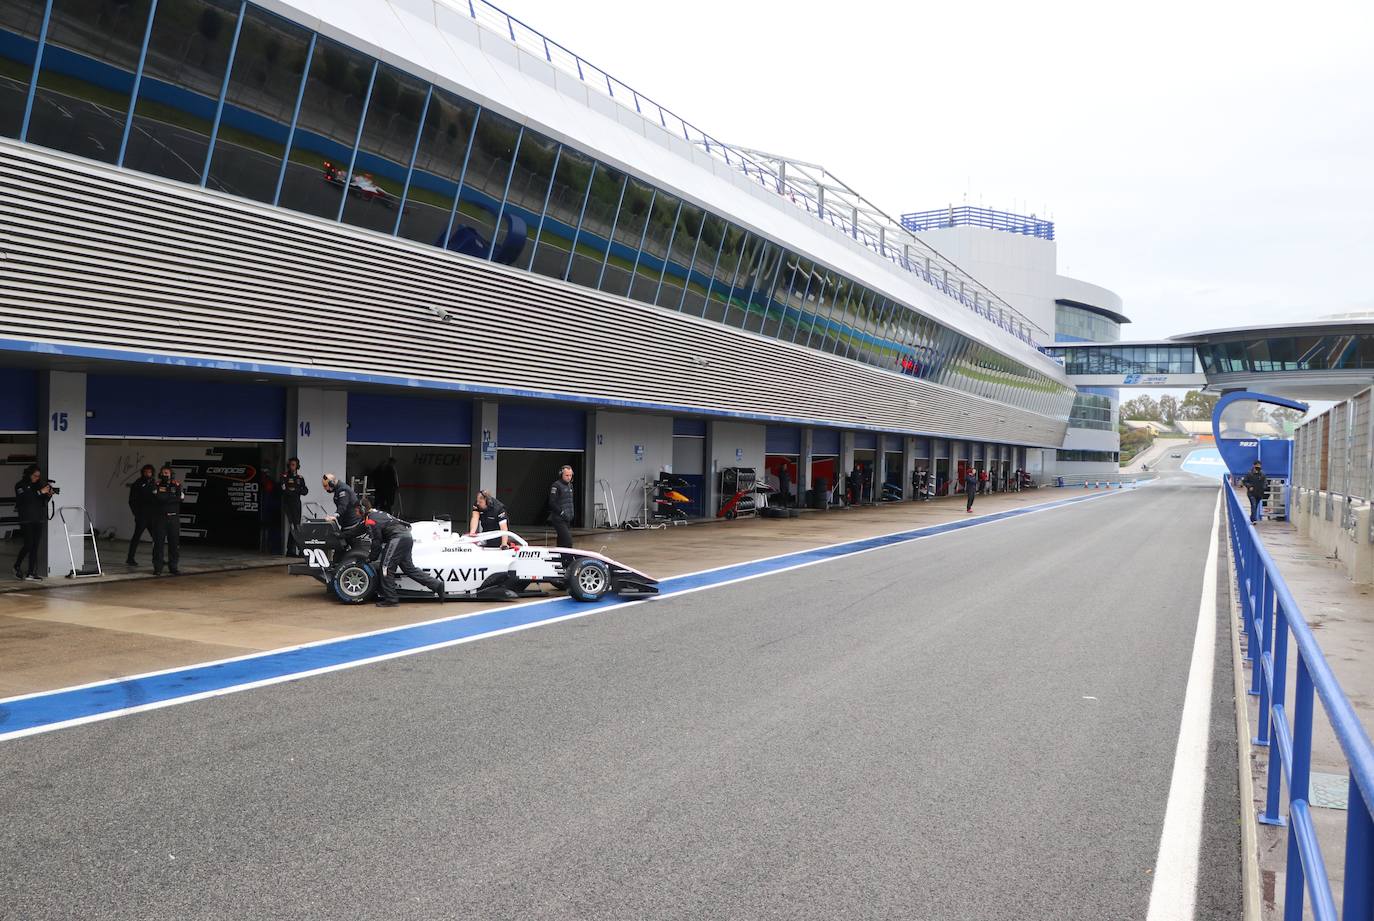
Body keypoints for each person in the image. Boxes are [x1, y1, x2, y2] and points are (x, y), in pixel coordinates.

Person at [361, 499, 444, 607]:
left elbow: (377, 541)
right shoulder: (378, 513)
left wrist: (370, 558)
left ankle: (391, 599)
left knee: (386, 567)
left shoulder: (371, 519)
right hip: (406, 537)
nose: (356, 513)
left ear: (362, 509)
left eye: (356, 510)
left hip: (397, 538)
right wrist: (342, 535)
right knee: (409, 568)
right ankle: (437, 585)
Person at [13, 464, 52, 581]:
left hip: (38, 518)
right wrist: (41, 492)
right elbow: (26, 498)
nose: (36, 478)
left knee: (35, 546)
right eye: (35, 476)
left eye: (38, 476)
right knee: (28, 544)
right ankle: (17, 565)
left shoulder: (38, 485)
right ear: (29, 474)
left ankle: (31, 572)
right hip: (26, 519)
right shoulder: (20, 485)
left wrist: (48, 494)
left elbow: (43, 500)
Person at [150, 465, 185, 575]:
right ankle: (158, 568)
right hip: (160, 519)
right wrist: (172, 497)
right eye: (163, 473)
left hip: (174, 519)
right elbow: (159, 498)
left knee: (174, 544)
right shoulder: (156, 484)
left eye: (167, 473)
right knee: (158, 544)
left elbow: (180, 498)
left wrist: (167, 497)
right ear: (160, 474)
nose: (165, 474)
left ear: (171, 474)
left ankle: (173, 567)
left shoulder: (177, 485)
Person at [125, 464, 157, 566]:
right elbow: (132, 501)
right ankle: (130, 558)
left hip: (152, 516)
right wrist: (137, 514)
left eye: (150, 472)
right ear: (143, 473)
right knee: (137, 537)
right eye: (146, 472)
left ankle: (157, 558)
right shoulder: (137, 483)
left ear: (152, 473)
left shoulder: (155, 483)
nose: (148, 474)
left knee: (156, 538)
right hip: (142, 516)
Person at [279, 457, 308, 555]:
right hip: (288, 505)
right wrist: (296, 490)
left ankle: (297, 550)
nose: (292, 467)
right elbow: (284, 490)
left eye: (294, 465)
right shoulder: (285, 476)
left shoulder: (300, 478)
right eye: (291, 464)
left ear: (297, 466)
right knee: (293, 526)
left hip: (297, 505)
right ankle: (290, 550)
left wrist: (295, 490)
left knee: (297, 527)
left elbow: (305, 491)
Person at [547, 465, 575, 547]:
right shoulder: (556, 485)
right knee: (568, 541)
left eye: (570, 475)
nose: (569, 477)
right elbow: (552, 502)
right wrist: (562, 513)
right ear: (561, 475)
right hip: (559, 518)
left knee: (562, 541)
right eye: (567, 475)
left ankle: (561, 558)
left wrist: (570, 514)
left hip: (567, 518)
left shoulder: (570, 485)